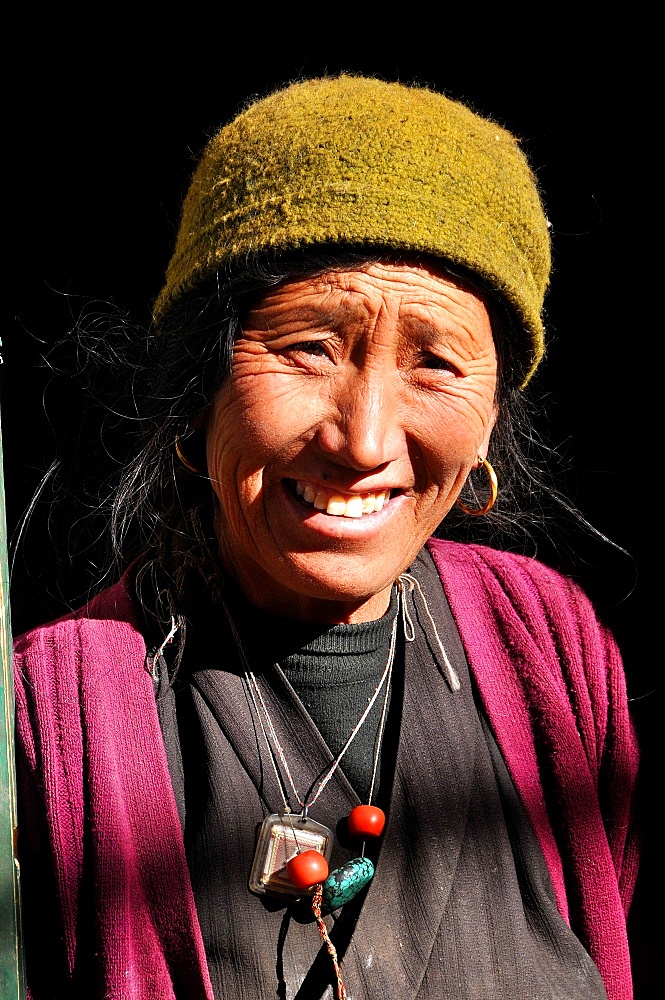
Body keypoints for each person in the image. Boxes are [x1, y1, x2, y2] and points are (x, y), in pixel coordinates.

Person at [13, 75, 638, 1000]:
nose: (366, 442)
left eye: (435, 362)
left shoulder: (545, 639)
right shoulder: (51, 713)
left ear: (491, 417)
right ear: (201, 386)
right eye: (309, 346)